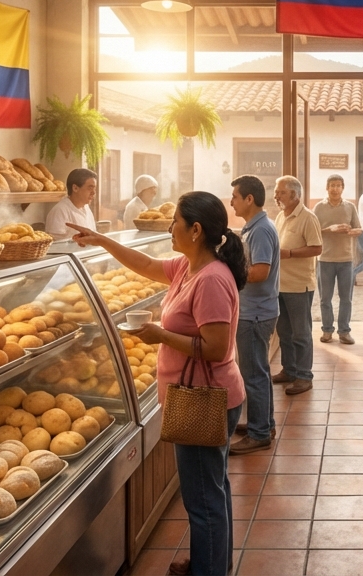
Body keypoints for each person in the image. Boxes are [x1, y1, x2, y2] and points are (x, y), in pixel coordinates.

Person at [64, 190, 249, 576]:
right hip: (201, 394)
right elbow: (146, 263)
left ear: (195, 230)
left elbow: (216, 348)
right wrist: (102, 240)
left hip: (205, 398)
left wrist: (161, 335)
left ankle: (209, 570)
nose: (169, 228)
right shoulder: (188, 266)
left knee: (202, 498)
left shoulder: (212, 279)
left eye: (175, 223)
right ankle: (211, 561)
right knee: (212, 489)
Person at [228, 175, 279, 455]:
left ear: (249, 199)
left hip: (255, 314)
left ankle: (259, 433)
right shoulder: (252, 227)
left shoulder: (260, 231)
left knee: (254, 374)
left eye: (235, 197)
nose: (232, 201)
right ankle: (264, 423)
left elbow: (260, 272)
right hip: (256, 311)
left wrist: (230, 274)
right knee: (259, 371)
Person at [272, 175, 322, 396]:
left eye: (280, 192)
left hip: (299, 286)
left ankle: (304, 376)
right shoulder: (281, 216)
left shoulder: (308, 218)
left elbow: (316, 248)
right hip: (280, 285)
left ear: (294, 194)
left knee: (300, 333)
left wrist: (290, 253)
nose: (276, 195)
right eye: (277, 191)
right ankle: (289, 370)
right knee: (284, 331)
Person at [313, 174, 360, 345]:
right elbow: (314, 231)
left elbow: (358, 229)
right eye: (332, 185)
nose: (335, 188)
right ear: (327, 187)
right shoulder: (318, 207)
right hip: (325, 258)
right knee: (325, 298)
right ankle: (327, 331)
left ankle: (344, 332)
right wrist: (330, 229)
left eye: (338, 185)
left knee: (346, 298)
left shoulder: (350, 207)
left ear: (342, 188)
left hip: (346, 258)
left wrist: (349, 231)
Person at [45, 168, 98, 240]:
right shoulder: (60, 211)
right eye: (90, 188)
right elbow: (55, 245)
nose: (94, 193)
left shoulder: (86, 208)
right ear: (75, 188)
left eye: (94, 188)